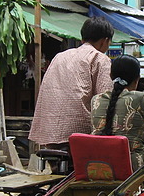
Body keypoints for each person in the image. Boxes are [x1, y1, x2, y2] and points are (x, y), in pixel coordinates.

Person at [29, 17, 114, 150]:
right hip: (80, 132)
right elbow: (105, 98)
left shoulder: (60, 56)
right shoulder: (100, 59)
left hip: (50, 130)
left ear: (82, 39)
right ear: (105, 40)